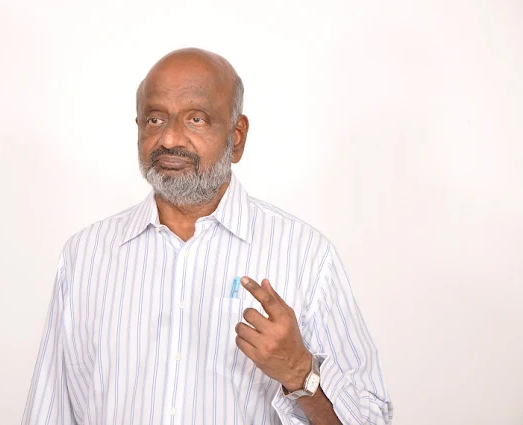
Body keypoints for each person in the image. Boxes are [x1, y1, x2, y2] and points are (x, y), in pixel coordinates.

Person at [22, 48, 393, 425]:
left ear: (237, 137)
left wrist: (300, 373)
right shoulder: (86, 255)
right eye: (155, 119)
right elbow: (49, 411)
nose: (169, 138)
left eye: (196, 119)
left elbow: (372, 419)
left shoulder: (305, 256)